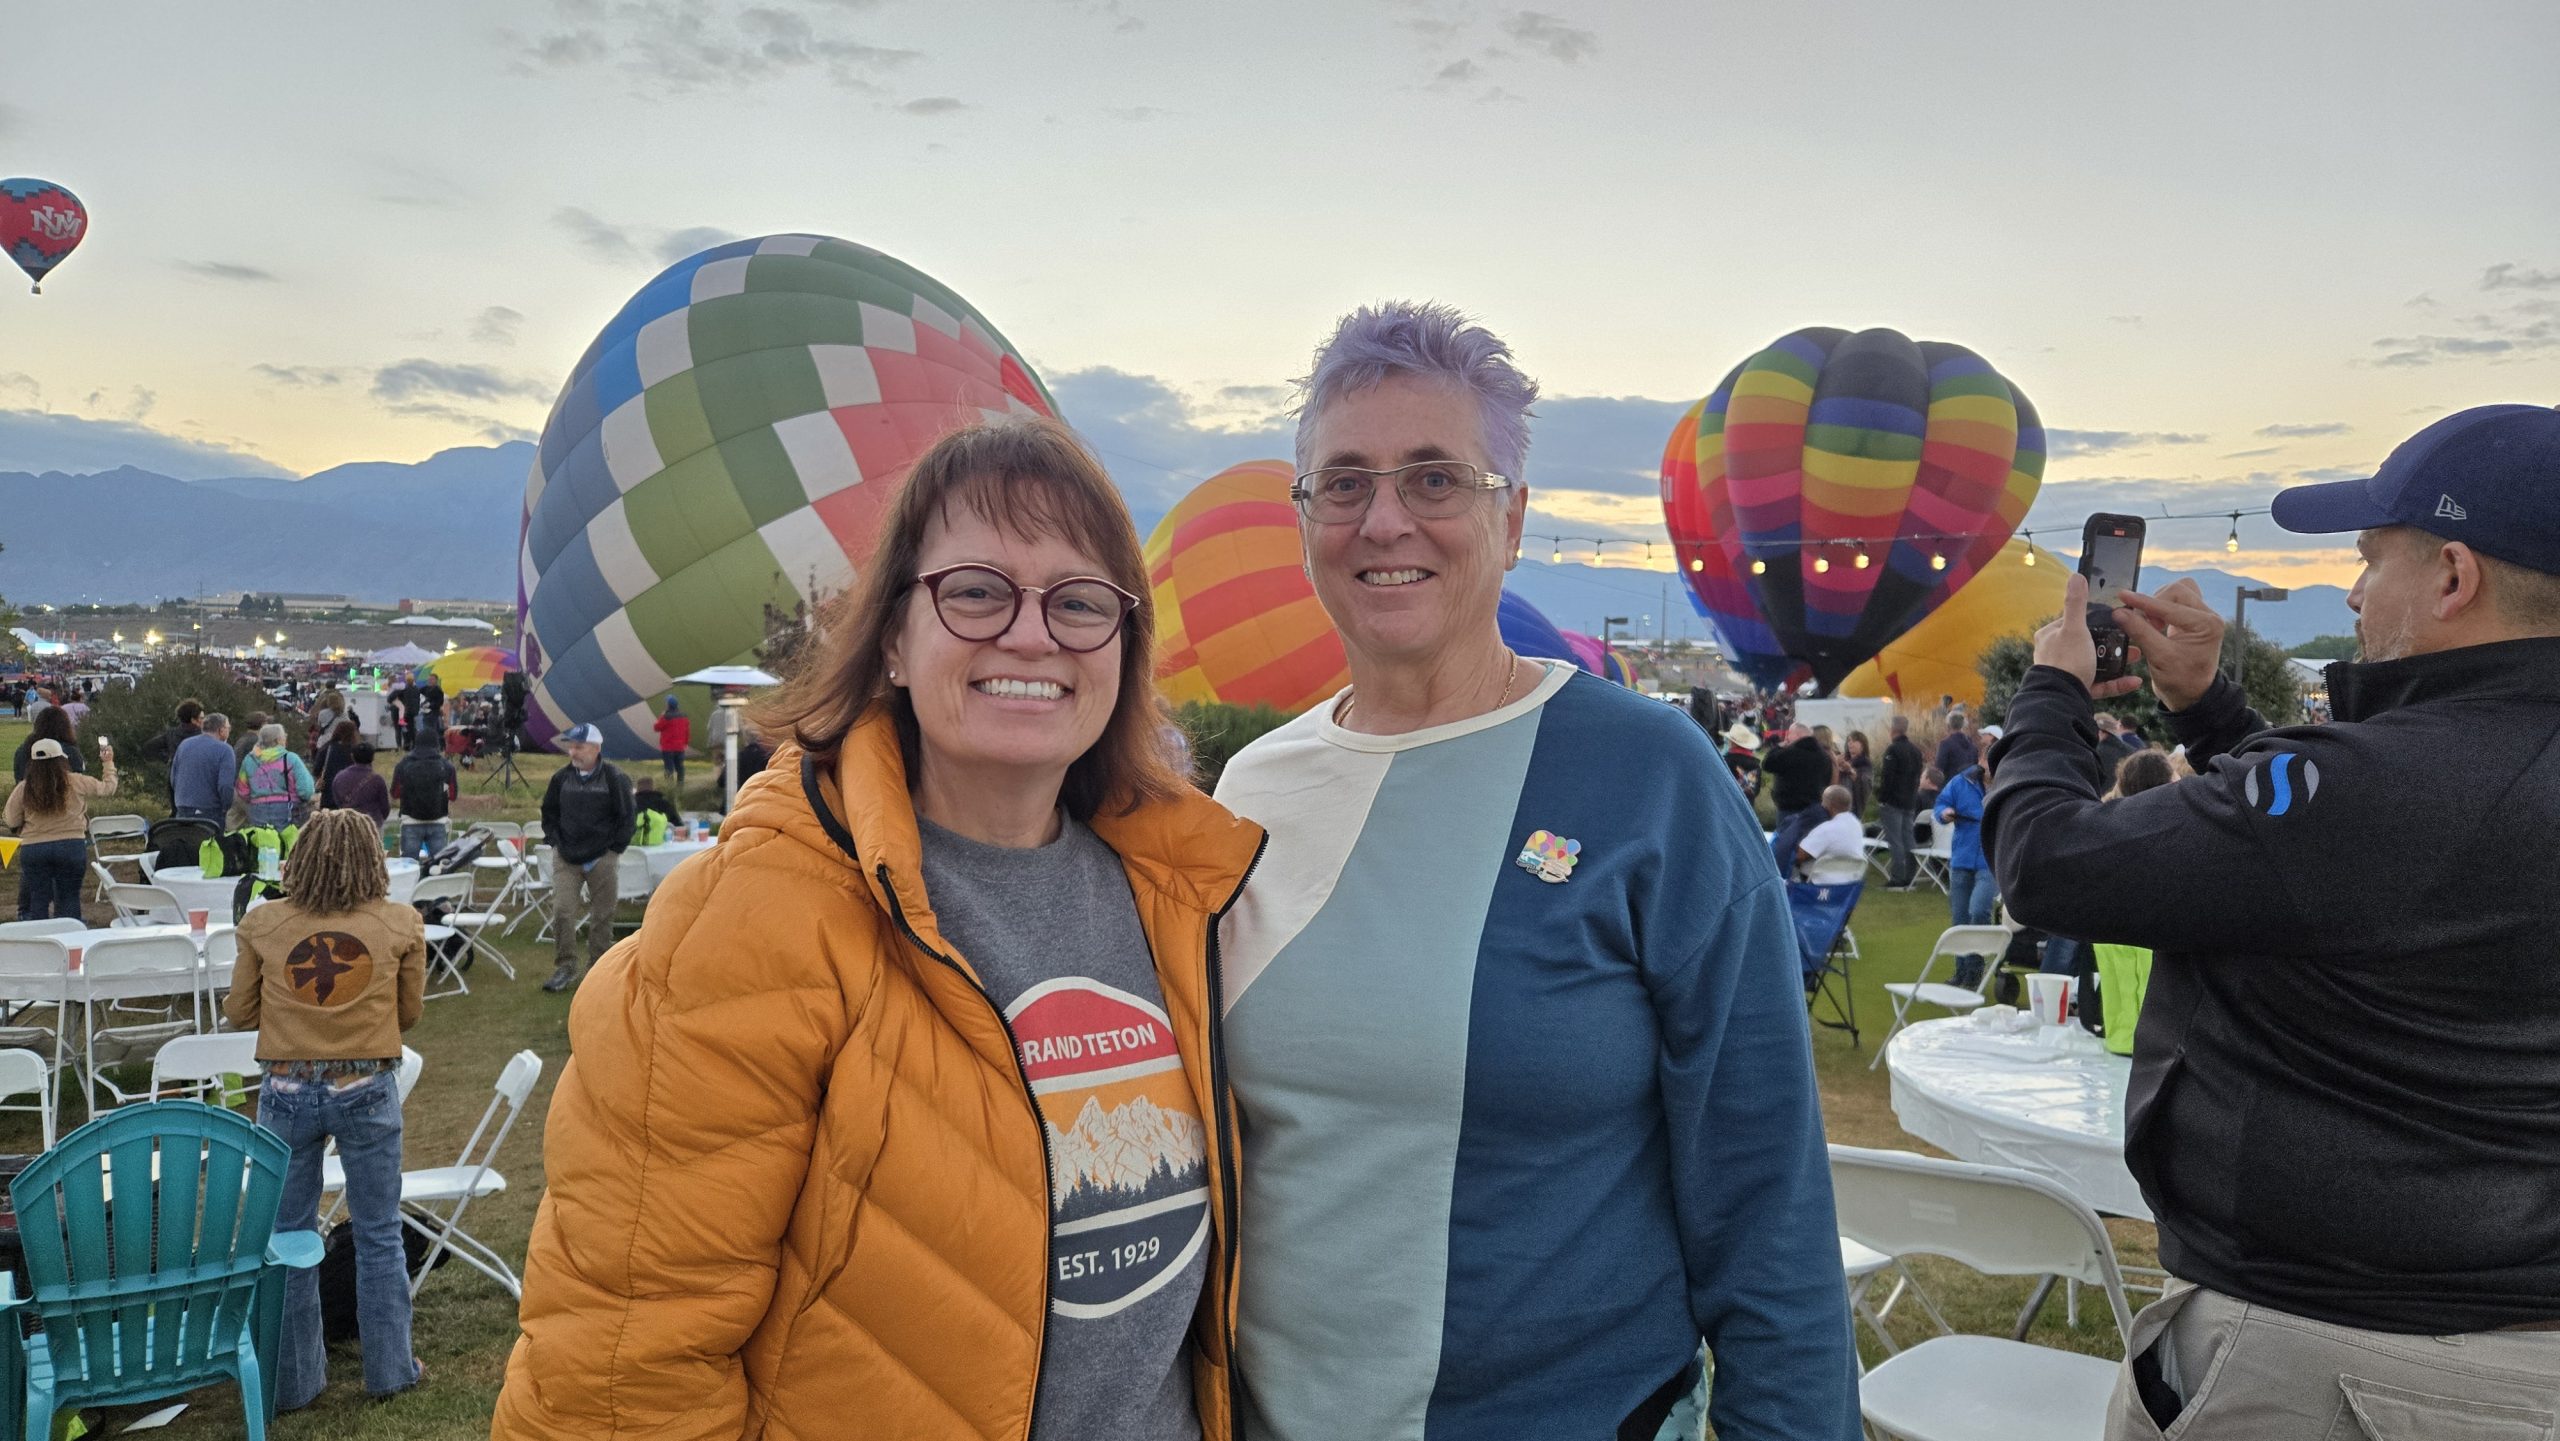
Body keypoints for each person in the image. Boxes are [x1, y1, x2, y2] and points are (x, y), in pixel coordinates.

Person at [494, 416, 1265, 1441]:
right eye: (977, 591)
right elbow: (621, 1371)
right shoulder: (756, 918)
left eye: (1079, 602)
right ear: (894, 637)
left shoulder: (1181, 896)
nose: (1030, 635)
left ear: (1123, 648)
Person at [1211, 302, 1854, 1439]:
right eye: (1344, 482)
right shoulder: (1251, 790)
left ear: (1511, 522)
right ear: (1304, 515)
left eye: (1436, 479)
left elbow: (1768, 1203)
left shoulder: (1650, 778)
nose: (1385, 519)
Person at [1989, 404, 2560, 1438]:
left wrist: (2049, 694)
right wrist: (2215, 716)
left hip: (2336, 1354)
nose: (2350, 590)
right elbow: (2371, 867)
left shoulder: (2372, 783)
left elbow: (2046, 863)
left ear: (2451, 577)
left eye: (2370, 558)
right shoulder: (2424, 781)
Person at [228, 808, 425, 1408]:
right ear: (373, 861)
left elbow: (240, 1012)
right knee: (379, 1234)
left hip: (286, 1091)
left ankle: (293, 1382)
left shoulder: (263, 923)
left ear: (299, 858)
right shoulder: (400, 923)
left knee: (287, 1235)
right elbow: (408, 1016)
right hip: (365, 1089)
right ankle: (391, 1371)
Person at [535, 724, 634, 993]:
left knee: (603, 913)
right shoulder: (561, 779)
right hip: (567, 856)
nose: (573, 751)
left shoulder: (614, 778)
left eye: (579, 746)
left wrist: (614, 849)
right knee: (562, 911)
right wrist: (554, 840)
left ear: (596, 748)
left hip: (602, 855)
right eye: (571, 746)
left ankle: (599, 967)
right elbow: (549, 812)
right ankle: (565, 967)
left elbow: (627, 816)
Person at [3, 736, 118, 920]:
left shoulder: (24, 787)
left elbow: (10, 819)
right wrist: (108, 763)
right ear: (61, 759)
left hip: (34, 848)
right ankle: (68, 940)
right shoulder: (76, 781)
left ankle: (40, 940)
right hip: (71, 846)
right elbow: (107, 788)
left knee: (37, 899)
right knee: (69, 897)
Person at [1935, 746, 1997, 987]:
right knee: (1959, 917)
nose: (1990, 765)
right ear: (1981, 760)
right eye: (1987, 759)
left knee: (1979, 910)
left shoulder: (2006, 784)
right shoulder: (1961, 782)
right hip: (1962, 857)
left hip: (1989, 859)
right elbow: (1941, 804)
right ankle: (1961, 972)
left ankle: (1974, 969)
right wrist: (1945, 813)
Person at [1762, 722, 1834, 872]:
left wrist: (1779, 747)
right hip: (1814, 809)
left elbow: (1767, 763)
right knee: (1808, 847)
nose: (1787, 738)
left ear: (1799, 735)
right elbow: (1826, 781)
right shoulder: (1823, 757)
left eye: (1790, 734)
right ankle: (1805, 875)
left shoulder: (1789, 753)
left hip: (1788, 809)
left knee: (1785, 846)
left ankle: (1785, 875)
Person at [388, 733, 456, 861]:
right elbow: (452, 796)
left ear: (415, 743)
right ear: (436, 745)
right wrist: (442, 789)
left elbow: (395, 793)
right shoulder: (447, 766)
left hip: (410, 821)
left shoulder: (403, 764)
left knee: (408, 866)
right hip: (438, 820)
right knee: (439, 865)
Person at [1876, 714, 1926, 889]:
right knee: (1908, 838)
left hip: (1893, 801)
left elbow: (1887, 777)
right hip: (1909, 801)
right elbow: (1918, 776)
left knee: (1895, 840)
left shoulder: (1893, 750)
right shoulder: (1915, 751)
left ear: (1893, 730)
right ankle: (1911, 874)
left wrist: (1882, 798)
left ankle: (1897, 877)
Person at [236, 722, 316, 830]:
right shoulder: (291, 759)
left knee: (262, 844)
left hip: (257, 812)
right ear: (278, 740)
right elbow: (306, 790)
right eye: (284, 737)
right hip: (288, 812)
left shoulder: (249, 760)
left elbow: (242, 790)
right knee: (287, 844)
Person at [1794, 784, 1869, 884]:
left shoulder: (1826, 829)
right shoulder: (1856, 825)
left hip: (1820, 884)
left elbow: (1799, 856)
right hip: (1848, 884)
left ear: (1828, 804)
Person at [171, 713, 236, 825]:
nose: (229, 731)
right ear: (221, 730)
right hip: (210, 811)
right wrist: (226, 807)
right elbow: (225, 786)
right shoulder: (225, 750)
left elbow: (173, 778)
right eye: (228, 728)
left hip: (182, 806)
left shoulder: (184, 745)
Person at [10, 704, 86, 783]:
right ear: (66, 726)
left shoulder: (23, 750)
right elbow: (78, 780)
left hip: (28, 793)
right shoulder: (71, 752)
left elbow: (19, 778)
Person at [331, 741, 390, 824]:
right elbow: (385, 808)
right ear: (372, 758)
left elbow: (337, 801)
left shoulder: (339, 777)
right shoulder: (378, 779)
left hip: (347, 823)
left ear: (352, 757)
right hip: (371, 824)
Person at [313, 719, 361, 810]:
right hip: (351, 796)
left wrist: (320, 778)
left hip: (329, 795)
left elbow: (316, 769)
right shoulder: (355, 751)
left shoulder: (327, 748)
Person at [651, 696, 690, 791]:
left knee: (669, 768)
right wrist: (685, 743)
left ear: (668, 705)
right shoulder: (684, 716)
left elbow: (656, 728)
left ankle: (670, 787)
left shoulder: (666, 717)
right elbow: (687, 731)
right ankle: (680, 786)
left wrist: (662, 715)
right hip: (680, 747)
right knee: (680, 767)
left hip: (668, 747)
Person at [1932, 709, 1980, 781]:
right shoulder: (1972, 745)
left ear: (1948, 725)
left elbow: (1939, 769)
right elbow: (1975, 765)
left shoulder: (1945, 744)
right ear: (1962, 725)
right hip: (1969, 785)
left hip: (1951, 786)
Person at [1722, 721, 1763, 800]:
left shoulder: (1725, 761)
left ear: (1732, 742)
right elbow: (1754, 791)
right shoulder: (1754, 764)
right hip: (1746, 807)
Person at [1842, 729, 1874, 818]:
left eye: (1854, 741)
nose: (1850, 743)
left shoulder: (1865, 763)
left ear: (1863, 745)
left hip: (1855, 807)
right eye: (1849, 741)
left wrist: (1852, 773)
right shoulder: (1843, 761)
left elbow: (1866, 784)